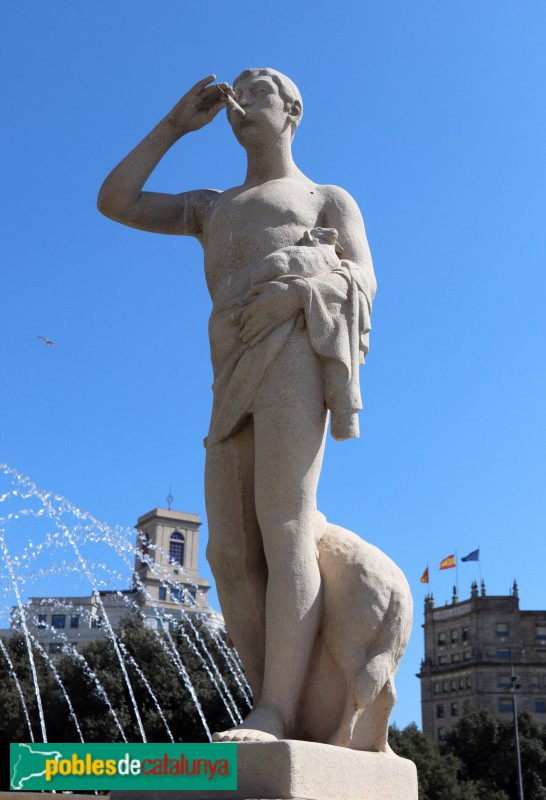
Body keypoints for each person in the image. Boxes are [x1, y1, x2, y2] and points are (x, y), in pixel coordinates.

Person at [97, 68, 376, 743]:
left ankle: (276, 711)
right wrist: (173, 126)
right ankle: (269, 700)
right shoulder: (211, 206)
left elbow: (364, 279)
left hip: (292, 355)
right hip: (230, 370)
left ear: (293, 111)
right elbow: (115, 200)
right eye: (238, 90)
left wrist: (297, 291)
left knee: (284, 525)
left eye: (261, 90)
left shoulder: (324, 197)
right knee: (226, 553)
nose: (242, 98)